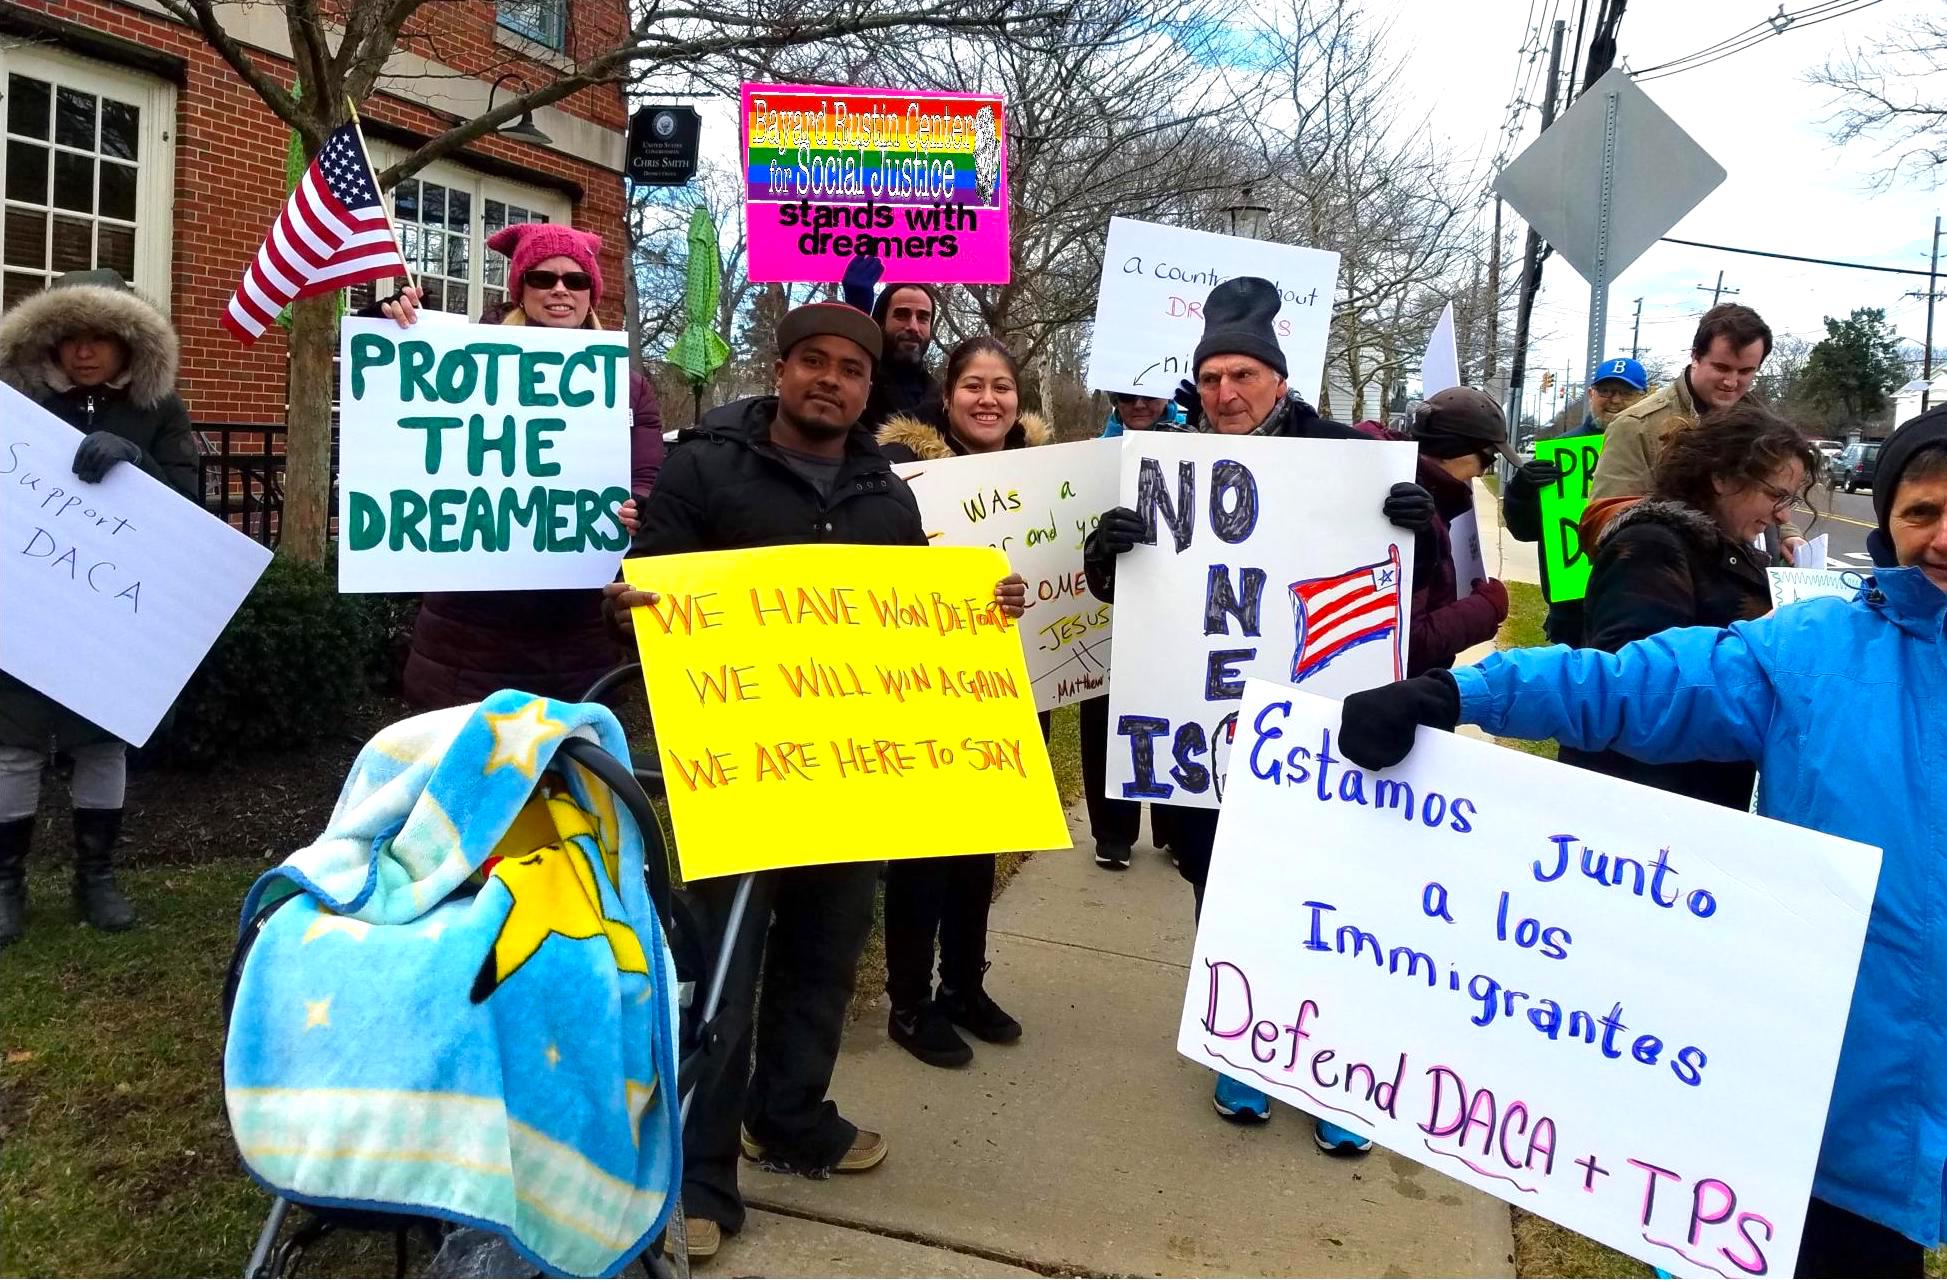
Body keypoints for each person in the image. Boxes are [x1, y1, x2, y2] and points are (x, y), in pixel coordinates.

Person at [1335, 408, 1947, 1279]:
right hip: (1832, 1096)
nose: (1940, 537)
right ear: (1887, 520)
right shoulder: (1813, 650)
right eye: (1920, 511)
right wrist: (1455, 694)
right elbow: (1631, 681)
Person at [602, 303, 1027, 1263]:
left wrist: (978, 606)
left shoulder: (889, 494)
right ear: (782, 368)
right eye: (813, 363)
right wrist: (629, 605)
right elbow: (655, 593)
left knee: (827, 953)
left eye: (850, 369)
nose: (830, 380)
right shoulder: (706, 464)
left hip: (849, 774)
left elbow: (909, 620)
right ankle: (700, 1173)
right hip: (737, 768)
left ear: (870, 389)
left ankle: (790, 1116)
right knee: (722, 967)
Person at [1080, 275, 1436, 1137]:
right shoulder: (1169, 467)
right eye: (1209, 379)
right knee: (1224, 893)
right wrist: (1107, 551)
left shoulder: (1348, 455)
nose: (1225, 393)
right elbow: (1122, 599)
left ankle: (1333, 1073)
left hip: (1323, 732)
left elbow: (1410, 602)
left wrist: (1414, 528)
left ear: (1278, 379)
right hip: (1211, 733)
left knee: (1330, 899)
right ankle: (1245, 1048)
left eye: (1242, 374)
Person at [373, 223, 664, 708]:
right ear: (519, 290)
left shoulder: (628, 386)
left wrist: (641, 510)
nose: (559, 289)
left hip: (577, 635)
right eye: (541, 277)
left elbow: (648, 478)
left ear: (592, 293)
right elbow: (390, 416)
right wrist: (386, 325)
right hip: (468, 637)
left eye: (575, 280)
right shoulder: (459, 364)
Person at [0, 268, 200, 942]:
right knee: (13, 744)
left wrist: (138, 463)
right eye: (71, 337)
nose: (85, 351)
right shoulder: (12, 404)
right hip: (24, 606)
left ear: (128, 343)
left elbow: (190, 506)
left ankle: (97, 877)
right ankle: (6, 882)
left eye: (101, 337)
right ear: (49, 341)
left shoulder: (160, 409)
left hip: (112, 610)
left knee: (102, 741)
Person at [875, 336, 1045, 1067]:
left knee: (978, 853)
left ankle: (963, 987)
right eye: (972, 384)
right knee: (922, 855)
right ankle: (909, 1004)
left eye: (1001, 386)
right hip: (923, 691)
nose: (987, 399)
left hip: (1010, 688)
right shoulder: (896, 474)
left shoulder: (1046, 476)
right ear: (944, 397)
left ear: (1018, 400)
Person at [1570, 404, 1815, 807]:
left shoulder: (1728, 547)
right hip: (1650, 802)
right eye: (1774, 495)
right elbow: (1629, 686)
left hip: (1700, 790)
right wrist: (1763, 638)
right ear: (1721, 477)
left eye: (1788, 499)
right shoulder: (1652, 547)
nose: (1782, 515)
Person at [1590, 304, 1806, 556]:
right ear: (1695, 356)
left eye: (1746, 371)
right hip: (1672, 577)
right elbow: (1603, 523)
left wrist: (1787, 533)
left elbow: (1772, 491)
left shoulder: (1761, 422)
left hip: (1750, 576)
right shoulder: (1636, 426)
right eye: (1722, 368)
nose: (1731, 382)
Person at [1085, 390, 1188, 868]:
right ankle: (1113, 834)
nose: (1137, 404)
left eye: (1147, 395)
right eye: (1125, 396)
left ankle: (1176, 828)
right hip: (1114, 606)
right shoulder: (1092, 457)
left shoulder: (1197, 439)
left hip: (1180, 609)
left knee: (1178, 714)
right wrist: (1100, 544)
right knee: (1107, 717)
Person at [1502, 357, 1651, 647]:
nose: (1615, 400)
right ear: (1591, 394)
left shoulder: (1658, 452)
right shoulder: (1562, 454)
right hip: (1572, 611)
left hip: (1635, 602)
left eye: (1626, 393)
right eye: (1606, 391)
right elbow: (1524, 530)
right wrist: (1521, 490)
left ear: (1644, 398)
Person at [1398, 387, 1514, 676]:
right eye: (1488, 458)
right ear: (1455, 449)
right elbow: (1407, 642)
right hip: (1400, 697)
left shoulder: (1421, 492)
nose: (1485, 472)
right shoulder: (1413, 513)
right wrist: (1487, 609)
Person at [841, 254, 941, 432]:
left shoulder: (944, 400)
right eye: (902, 315)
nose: (913, 327)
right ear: (880, 323)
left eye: (923, 318)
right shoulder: (857, 386)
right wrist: (855, 321)